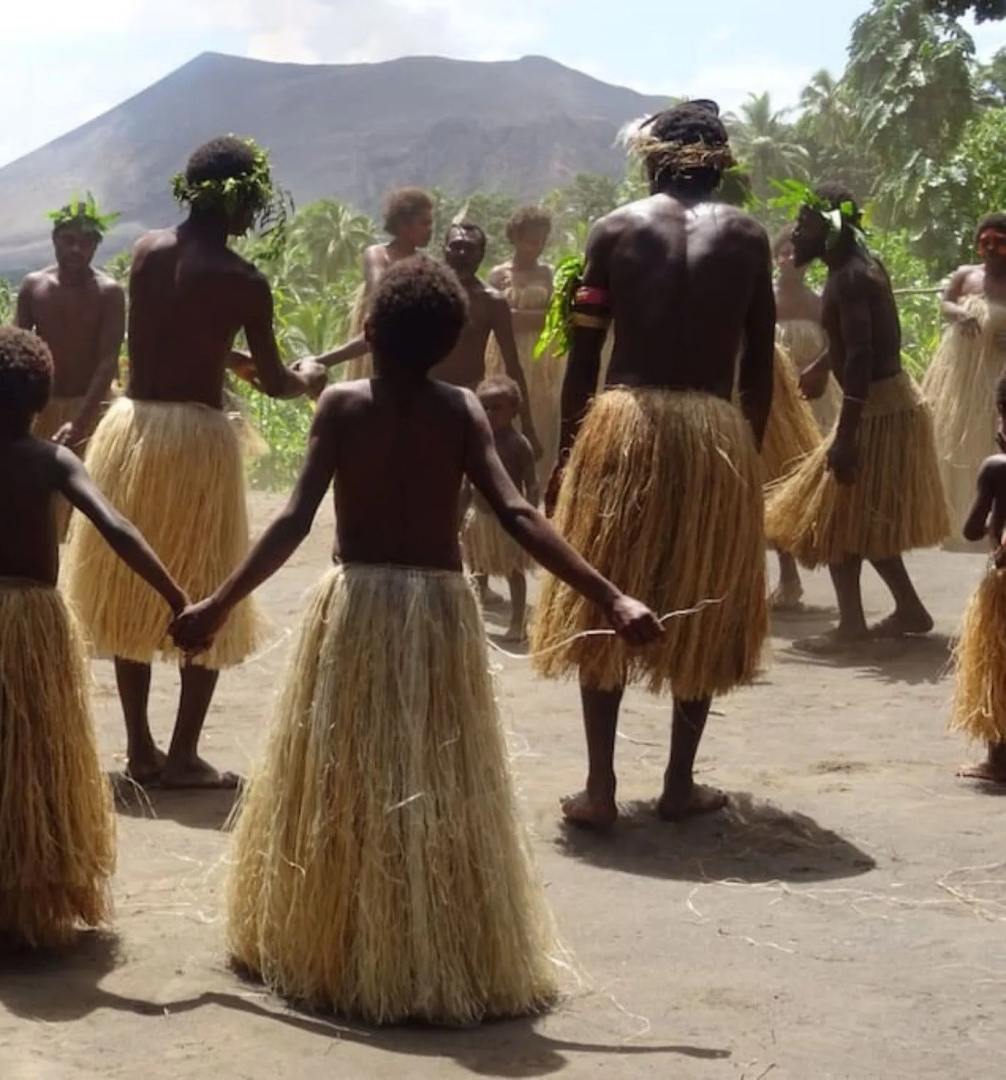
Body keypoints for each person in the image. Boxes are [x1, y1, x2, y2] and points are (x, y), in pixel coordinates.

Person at [168, 257, 660, 1024]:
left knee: (345, 774)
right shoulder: (460, 409)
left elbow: (296, 519)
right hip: (434, 612)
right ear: (446, 343)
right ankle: (414, 944)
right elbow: (518, 515)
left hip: (357, 605)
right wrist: (612, 594)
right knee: (432, 776)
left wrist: (218, 602)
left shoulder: (340, 405)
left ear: (367, 333)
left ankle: (339, 941)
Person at [0, 326, 187, 950]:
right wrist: (175, 594)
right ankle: (27, 891)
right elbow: (115, 525)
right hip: (33, 626)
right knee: (30, 756)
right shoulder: (53, 460)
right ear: (42, 404)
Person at [531, 101, 774, 830]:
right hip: (711, 429)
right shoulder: (747, 237)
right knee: (701, 597)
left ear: (650, 156)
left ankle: (600, 787)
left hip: (624, 424)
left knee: (606, 592)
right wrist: (747, 460)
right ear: (720, 160)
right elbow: (757, 365)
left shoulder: (614, 229)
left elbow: (583, 359)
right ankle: (677, 783)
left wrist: (570, 453)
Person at [62, 135, 324, 789]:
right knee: (207, 583)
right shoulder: (242, 281)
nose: (254, 216)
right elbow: (272, 381)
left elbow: (173, 336)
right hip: (198, 443)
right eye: (253, 203)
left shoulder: (147, 252)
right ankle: (181, 755)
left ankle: (140, 749)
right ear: (238, 199)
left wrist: (221, 355)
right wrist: (309, 374)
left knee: (130, 588)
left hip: (132, 430)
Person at [766, 185, 951, 648]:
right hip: (889, 402)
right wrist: (823, 364)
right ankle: (909, 608)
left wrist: (846, 435)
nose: (796, 232)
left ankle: (851, 627)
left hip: (875, 410)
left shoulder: (848, 277)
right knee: (865, 518)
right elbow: (857, 340)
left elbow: (864, 354)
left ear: (830, 230)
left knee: (835, 518)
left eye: (806, 224)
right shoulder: (857, 268)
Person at [315, 224, 542, 453]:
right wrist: (323, 360)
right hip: (420, 394)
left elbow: (513, 365)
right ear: (444, 250)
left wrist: (528, 428)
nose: (462, 254)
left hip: (465, 400)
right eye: (456, 247)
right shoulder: (424, 291)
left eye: (470, 249)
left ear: (481, 254)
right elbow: (379, 335)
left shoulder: (492, 303)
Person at [16, 196, 126, 533]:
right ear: (54, 239)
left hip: (93, 410)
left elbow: (108, 360)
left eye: (87, 242)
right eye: (69, 240)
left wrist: (79, 423)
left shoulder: (109, 293)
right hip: (43, 411)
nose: (77, 249)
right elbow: (17, 350)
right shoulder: (34, 287)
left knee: (91, 513)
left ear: (96, 246)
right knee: (40, 512)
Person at [921, 214, 1006, 536]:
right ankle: (957, 519)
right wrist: (959, 313)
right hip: (963, 374)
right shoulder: (965, 275)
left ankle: (996, 520)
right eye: (987, 243)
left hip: (1000, 375)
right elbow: (945, 304)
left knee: (993, 435)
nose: (994, 250)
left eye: (1001, 242)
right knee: (958, 436)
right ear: (978, 245)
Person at [949, 395, 1006, 784]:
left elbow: (971, 528)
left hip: (1002, 585)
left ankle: (999, 763)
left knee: (997, 673)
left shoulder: (996, 469)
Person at [488, 205, 562, 482]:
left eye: (543, 240)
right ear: (516, 238)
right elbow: (494, 319)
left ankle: (538, 483)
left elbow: (555, 317)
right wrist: (528, 318)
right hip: (503, 353)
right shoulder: (498, 275)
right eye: (533, 240)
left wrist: (515, 316)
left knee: (542, 409)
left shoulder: (549, 274)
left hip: (542, 357)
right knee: (505, 407)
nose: (538, 246)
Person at [462, 376, 538, 640]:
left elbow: (532, 484)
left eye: (497, 407)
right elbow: (466, 483)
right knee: (477, 570)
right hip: (478, 519)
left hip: (507, 520)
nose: (490, 413)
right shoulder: (474, 441)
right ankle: (477, 620)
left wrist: (528, 520)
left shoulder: (519, 445)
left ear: (514, 411)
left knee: (513, 572)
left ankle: (517, 622)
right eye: (485, 407)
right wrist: (458, 518)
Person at [342, 187, 435, 379]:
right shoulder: (377, 255)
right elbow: (381, 297)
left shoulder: (429, 265)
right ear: (403, 225)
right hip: (378, 343)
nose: (430, 230)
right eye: (424, 223)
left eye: (430, 223)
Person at [774, 229, 841, 434]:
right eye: (785, 253)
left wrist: (817, 371)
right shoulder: (763, 300)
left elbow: (835, 343)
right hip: (774, 392)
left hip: (815, 395)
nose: (791, 258)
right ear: (776, 259)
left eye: (798, 253)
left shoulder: (819, 303)